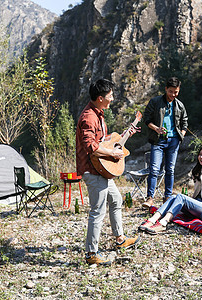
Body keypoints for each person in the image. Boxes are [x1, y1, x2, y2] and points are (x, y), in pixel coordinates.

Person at [76, 79, 141, 266]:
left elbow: (102, 141)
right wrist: (112, 152)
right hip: (92, 170)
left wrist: (124, 135)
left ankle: (120, 239)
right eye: (110, 96)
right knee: (97, 211)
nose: (112, 98)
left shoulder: (99, 114)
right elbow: (91, 146)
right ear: (100, 98)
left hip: (101, 169)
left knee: (116, 200)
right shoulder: (88, 117)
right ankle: (91, 254)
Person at [139, 145, 202, 234]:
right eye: (200, 155)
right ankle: (152, 220)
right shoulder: (198, 171)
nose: (201, 157)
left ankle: (163, 223)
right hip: (197, 206)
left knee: (181, 197)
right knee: (173, 197)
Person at [142, 77, 188, 209]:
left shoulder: (179, 105)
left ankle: (167, 197)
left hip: (174, 141)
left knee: (170, 170)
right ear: (166, 89)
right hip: (158, 140)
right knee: (154, 169)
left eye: (176, 92)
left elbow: (185, 121)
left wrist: (181, 135)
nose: (173, 94)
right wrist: (156, 128)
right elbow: (146, 118)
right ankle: (150, 198)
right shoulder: (155, 102)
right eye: (171, 91)